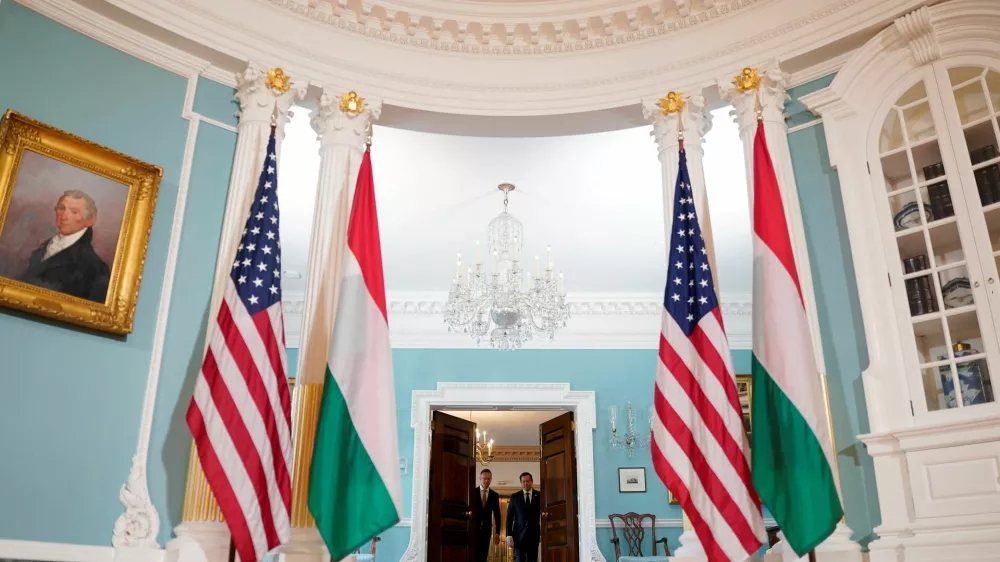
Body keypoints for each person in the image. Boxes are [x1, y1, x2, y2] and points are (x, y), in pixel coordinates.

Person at [17, 189, 110, 303]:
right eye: (61, 208)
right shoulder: (43, 248)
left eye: (74, 212)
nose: (64, 216)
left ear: (90, 221)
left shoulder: (96, 268)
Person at [506, 472, 540, 562]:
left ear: (532, 482)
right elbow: (509, 518)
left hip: (534, 535)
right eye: (523, 481)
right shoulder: (514, 497)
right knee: (519, 560)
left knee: (532, 559)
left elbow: (544, 514)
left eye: (528, 481)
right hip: (518, 535)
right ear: (521, 483)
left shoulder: (540, 496)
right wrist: (508, 535)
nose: (526, 483)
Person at [472, 468, 501, 562]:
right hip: (473, 529)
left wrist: (497, 533)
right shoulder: (472, 492)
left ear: (491, 479)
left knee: (483, 556)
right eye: (484, 478)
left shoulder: (494, 495)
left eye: (489, 479)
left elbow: (497, 514)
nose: (486, 481)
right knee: (472, 555)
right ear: (480, 478)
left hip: (486, 530)